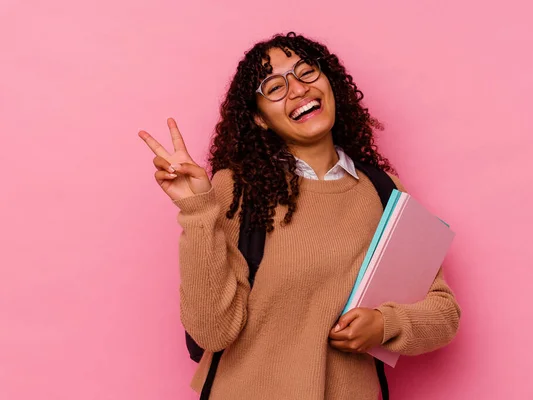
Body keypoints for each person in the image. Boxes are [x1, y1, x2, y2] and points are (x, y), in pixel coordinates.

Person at [138, 32, 461, 400]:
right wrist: (196, 211)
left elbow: (443, 313)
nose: (297, 89)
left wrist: (385, 325)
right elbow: (212, 332)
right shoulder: (235, 190)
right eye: (274, 86)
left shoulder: (383, 190)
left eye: (306, 72)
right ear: (260, 119)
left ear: (330, 83)